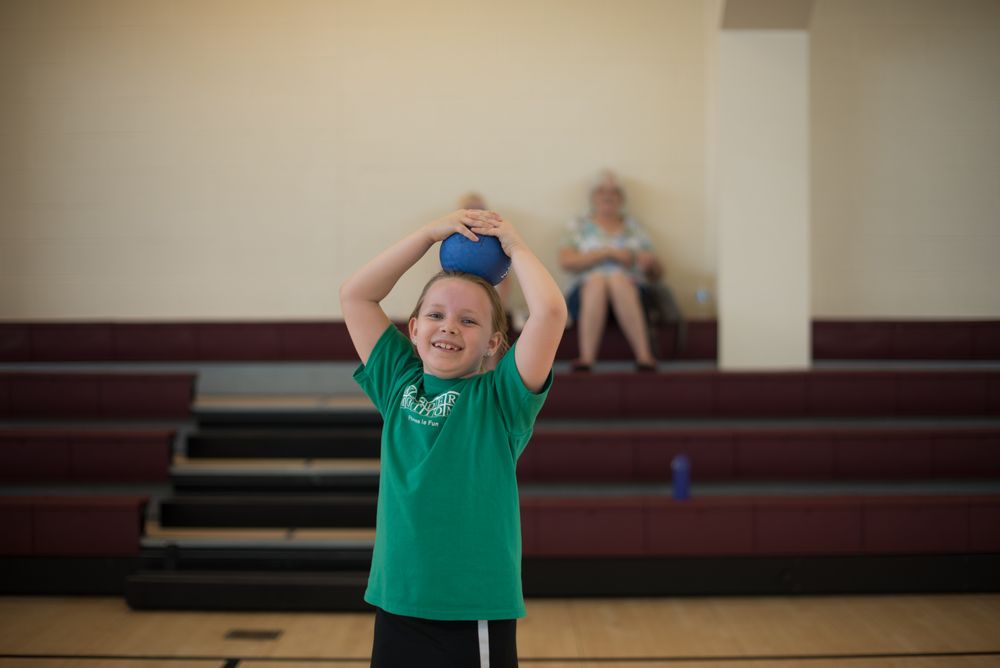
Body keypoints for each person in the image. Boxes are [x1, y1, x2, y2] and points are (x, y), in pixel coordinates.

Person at [340, 208, 567, 667]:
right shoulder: (397, 383)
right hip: (398, 598)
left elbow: (550, 313)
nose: (448, 326)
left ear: (493, 344)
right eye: (436, 315)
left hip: (471, 608)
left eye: (469, 321)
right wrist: (427, 233)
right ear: (415, 329)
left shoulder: (502, 399)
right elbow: (356, 296)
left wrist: (516, 246)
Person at [558, 170, 663, 371]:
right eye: (601, 191)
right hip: (584, 295)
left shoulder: (634, 226)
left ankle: (644, 356)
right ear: (593, 197)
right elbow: (566, 261)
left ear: (621, 198)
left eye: (614, 192)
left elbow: (656, 271)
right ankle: (586, 358)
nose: (608, 195)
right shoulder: (579, 225)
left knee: (617, 279)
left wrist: (647, 261)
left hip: (631, 293)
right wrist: (608, 253)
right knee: (597, 280)